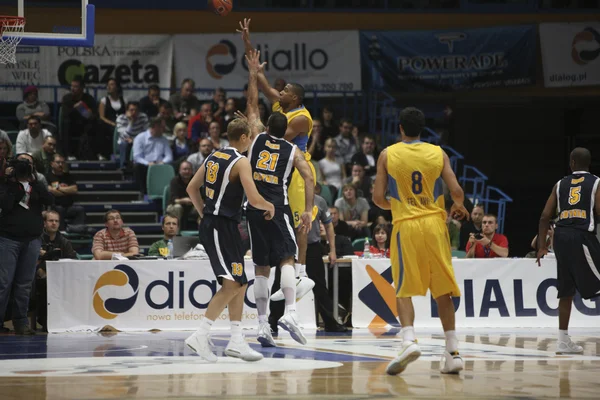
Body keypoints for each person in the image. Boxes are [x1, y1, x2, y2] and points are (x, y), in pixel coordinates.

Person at [372, 107, 469, 376]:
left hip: (407, 225)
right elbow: (457, 191)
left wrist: (401, 204)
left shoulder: (387, 154)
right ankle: (453, 351)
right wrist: (458, 206)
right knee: (442, 289)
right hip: (436, 225)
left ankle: (408, 341)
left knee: (403, 287)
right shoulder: (438, 153)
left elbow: (378, 199)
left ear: (400, 128)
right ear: (422, 129)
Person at [240, 49, 315, 347]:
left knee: (260, 267)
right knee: (287, 259)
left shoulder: (255, 137)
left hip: (252, 208)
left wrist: (252, 73)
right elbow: (309, 178)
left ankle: (261, 326)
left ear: (266, 126)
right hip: (278, 207)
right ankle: (291, 312)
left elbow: (252, 102)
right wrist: (308, 210)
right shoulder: (293, 150)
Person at [184, 118, 274, 363]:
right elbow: (254, 199)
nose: (252, 140)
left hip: (220, 225)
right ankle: (200, 334)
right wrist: (270, 206)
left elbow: (192, 188)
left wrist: (205, 213)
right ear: (244, 137)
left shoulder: (213, 156)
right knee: (232, 285)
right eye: (251, 136)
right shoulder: (241, 161)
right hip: (221, 226)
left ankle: (236, 340)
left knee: (240, 283)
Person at [536, 147, 600, 354]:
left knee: (566, 289)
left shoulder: (560, 183)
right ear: (588, 164)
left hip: (561, 238)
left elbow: (545, 216)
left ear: (572, 163)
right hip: (581, 236)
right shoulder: (596, 182)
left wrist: (541, 247)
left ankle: (563, 340)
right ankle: (563, 341)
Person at [0, 153, 54, 334]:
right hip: (8, 239)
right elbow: (6, 206)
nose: (24, 166)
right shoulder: (6, 184)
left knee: (24, 283)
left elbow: (50, 200)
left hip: (32, 239)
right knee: (4, 282)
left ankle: (21, 323)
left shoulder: (37, 186)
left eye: (28, 163)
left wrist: (34, 180)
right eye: (21, 163)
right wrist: (10, 181)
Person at [36, 210, 77, 331]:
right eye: (50, 221)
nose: (54, 223)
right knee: (45, 283)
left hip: (62, 278)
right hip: (40, 278)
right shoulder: (36, 240)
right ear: (44, 223)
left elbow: (72, 260)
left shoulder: (64, 241)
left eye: (56, 221)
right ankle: (45, 321)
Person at [45, 153, 86, 231]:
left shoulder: (68, 176)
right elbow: (51, 191)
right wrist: (67, 190)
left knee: (80, 210)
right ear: (52, 164)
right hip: (55, 206)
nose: (60, 164)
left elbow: (74, 189)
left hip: (69, 206)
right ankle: (62, 232)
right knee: (59, 209)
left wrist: (58, 188)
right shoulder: (48, 176)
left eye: (62, 162)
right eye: (58, 162)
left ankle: (78, 231)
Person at [132, 117, 173, 194]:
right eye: (162, 127)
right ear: (155, 126)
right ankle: (143, 193)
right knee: (137, 167)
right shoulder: (140, 138)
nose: (164, 129)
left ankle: (166, 192)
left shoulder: (164, 139)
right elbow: (137, 157)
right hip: (146, 165)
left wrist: (163, 162)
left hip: (160, 165)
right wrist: (148, 163)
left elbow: (169, 156)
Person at [116, 102, 150, 170]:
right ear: (127, 111)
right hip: (125, 141)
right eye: (131, 110)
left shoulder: (143, 117)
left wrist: (135, 140)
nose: (134, 112)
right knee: (124, 144)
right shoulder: (121, 118)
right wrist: (131, 122)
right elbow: (123, 136)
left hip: (139, 140)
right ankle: (123, 168)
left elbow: (147, 133)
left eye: (136, 110)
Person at [98, 78, 126, 161]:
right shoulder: (104, 100)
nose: (109, 87)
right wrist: (112, 123)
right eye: (108, 85)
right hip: (108, 124)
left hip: (121, 124)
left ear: (117, 87)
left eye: (112, 84)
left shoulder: (124, 100)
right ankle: (106, 154)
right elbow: (101, 117)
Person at [166, 161, 197, 229]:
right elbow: (174, 199)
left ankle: (203, 233)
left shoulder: (196, 180)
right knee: (178, 207)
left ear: (192, 171)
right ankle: (176, 233)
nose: (187, 171)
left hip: (192, 206)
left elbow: (202, 198)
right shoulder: (175, 181)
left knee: (203, 207)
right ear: (180, 171)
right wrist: (184, 200)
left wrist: (192, 201)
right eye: (184, 169)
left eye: (189, 169)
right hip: (175, 205)